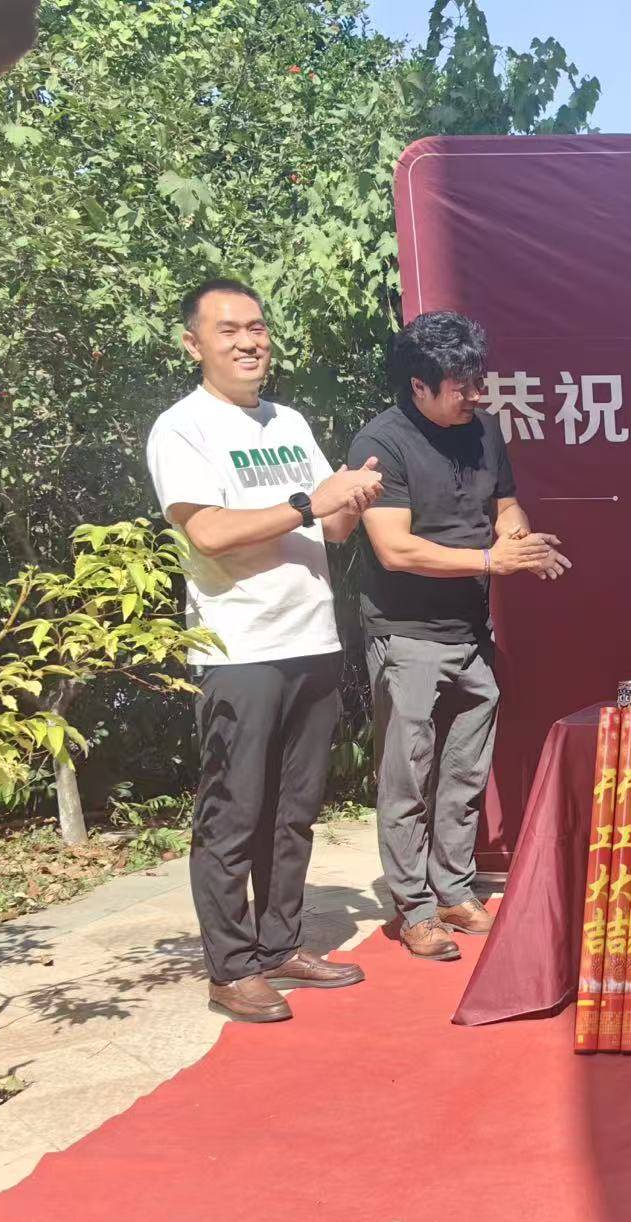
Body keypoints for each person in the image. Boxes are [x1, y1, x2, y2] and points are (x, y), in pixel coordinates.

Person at [146, 278, 385, 1022]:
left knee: (293, 809)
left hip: (311, 636)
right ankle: (230, 967)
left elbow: (330, 527)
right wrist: (310, 502)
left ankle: (280, 944)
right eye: (229, 331)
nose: (249, 341)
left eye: (257, 327)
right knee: (234, 811)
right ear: (194, 344)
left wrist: (351, 499)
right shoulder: (182, 428)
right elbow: (209, 532)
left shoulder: (289, 421)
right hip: (238, 647)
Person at [351, 311, 569, 961]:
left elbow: (506, 506)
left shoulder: (484, 430)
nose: (475, 395)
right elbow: (394, 549)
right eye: (460, 386)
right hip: (406, 633)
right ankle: (413, 907)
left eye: (479, 381)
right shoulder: (380, 443)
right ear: (418, 386)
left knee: (465, 772)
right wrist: (490, 561)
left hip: (471, 630)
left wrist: (517, 537)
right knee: (407, 777)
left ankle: (453, 888)